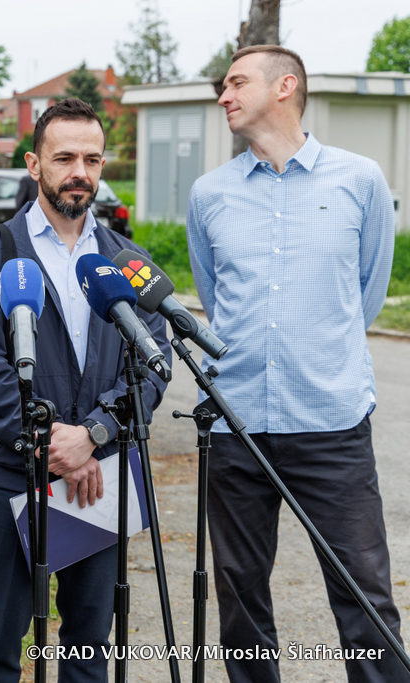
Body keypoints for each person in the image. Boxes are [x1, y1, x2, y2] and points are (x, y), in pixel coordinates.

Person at [187, 45, 404, 683]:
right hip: (237, 428)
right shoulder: (209, 194)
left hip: (332, 424)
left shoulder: (361, 179)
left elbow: (365, 294)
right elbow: (216, 300)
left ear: (285, 87)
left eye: (236, 83)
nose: (224, 96)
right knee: (240, 602)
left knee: (366, 596)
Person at [0, 98, 170, 683]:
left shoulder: (126, 261)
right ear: (34, 164)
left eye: (92, 160)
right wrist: (55, 446)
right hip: (18, 472)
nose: (80, 172)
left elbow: (152, 365)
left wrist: (93, 435)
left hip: (100, 475)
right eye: (65, 158)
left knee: (87, 648)